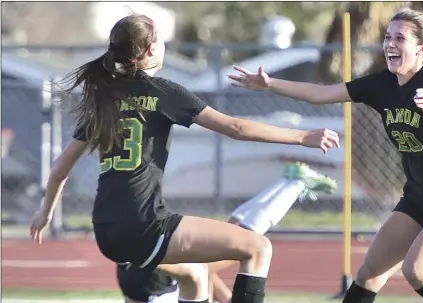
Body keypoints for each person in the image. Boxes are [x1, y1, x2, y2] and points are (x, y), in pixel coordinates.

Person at [29, 14, 340, 303]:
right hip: (143, 224)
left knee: (194, 273)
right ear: (152, 47)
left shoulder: (106, 98)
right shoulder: (163, 91)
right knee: (258, 248)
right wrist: (302, 136)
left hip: (106, 229)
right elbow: (236, 128)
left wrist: (45, 213)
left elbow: (59, 168)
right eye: (161, 39)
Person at [228, 7, 423, 303]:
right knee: (368, 274)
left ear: (421, 48)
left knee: (417, 269)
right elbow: (319, 93)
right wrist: (269, 83)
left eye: (400, 38)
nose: (390, 44)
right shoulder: (381, 85)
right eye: (387, 37)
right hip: (418, 197)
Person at [117, 162, 337, 303]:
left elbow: (202, 275)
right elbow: (206, 275)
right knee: (235, 233)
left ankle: (293, 184)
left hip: (155, 280)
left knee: (243, 241)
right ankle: (290, 182)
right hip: (145, 267)